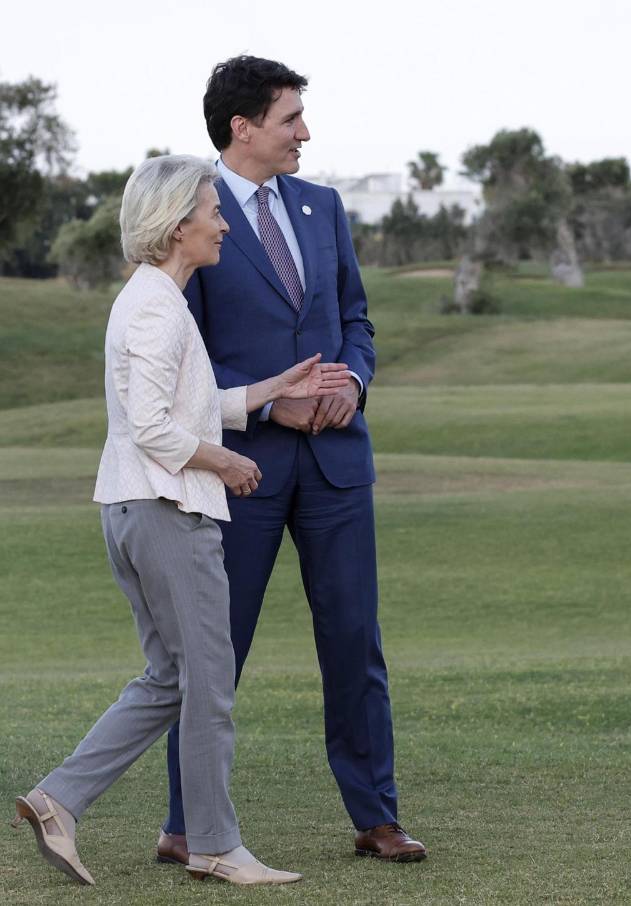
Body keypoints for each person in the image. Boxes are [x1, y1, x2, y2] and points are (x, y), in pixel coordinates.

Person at [11, 154, 352, 886]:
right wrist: (226, 464)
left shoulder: (153, 299)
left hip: (136, 508)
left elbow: (189, 405)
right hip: (167, 511)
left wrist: (266, 391)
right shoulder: (157, 308)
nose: (224, 222)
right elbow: (153, 430)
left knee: (170, 677)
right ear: (176, 225)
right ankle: (215, 845)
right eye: (212, 211)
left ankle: (58, 799)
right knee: (209, 681)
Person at [155, 55, 425, 867]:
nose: (304, 131)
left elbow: (355, 320)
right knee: (213, 650)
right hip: (240, 467)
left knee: (354, 641)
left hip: (339, 466)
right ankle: (183, 825)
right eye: (290, 118)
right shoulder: (189, 214)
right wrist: (274, 402)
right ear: (243, 128)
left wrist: (354, 383)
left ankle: (377, 816)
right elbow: (184, 356)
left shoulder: (323, 206)